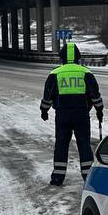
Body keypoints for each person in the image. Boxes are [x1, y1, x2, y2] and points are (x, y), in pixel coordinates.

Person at [40, 41, 103, 185]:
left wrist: (44, 110)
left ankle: (58, 177)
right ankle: (88, 177)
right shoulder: (86, 72)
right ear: (78, 57)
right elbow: (95, 95)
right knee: (84, 144)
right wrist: (99, 110)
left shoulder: (55, 73)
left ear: (62, 58)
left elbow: (48, 95)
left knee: (61, 144)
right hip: (81, 114)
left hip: (62, 115)